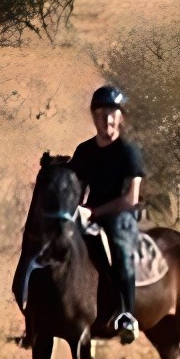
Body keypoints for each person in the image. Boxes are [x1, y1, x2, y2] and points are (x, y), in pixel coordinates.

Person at [69, 85, 146, 344]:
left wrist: (93, 211)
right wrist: (76, 211)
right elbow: (77, 189)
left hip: (121, 214)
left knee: (120, 249)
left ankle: (127, 314)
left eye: (112, 113)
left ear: (121, 117)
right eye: (101, 113)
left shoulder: (129, 151)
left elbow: (131, 198)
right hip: (89, 212)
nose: (107, 119)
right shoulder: (83, 152)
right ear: (93, 117)